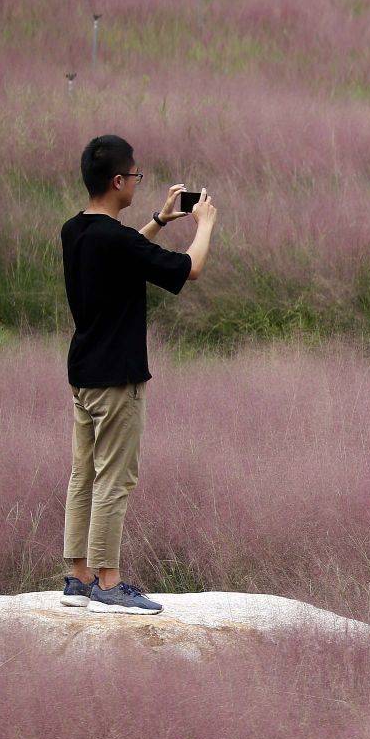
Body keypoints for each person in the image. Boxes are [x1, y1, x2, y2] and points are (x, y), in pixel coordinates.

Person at [58, 134, 218, 615]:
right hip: (116, 379)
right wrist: (203, 225)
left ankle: (78, 575)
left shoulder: (76, 231)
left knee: (83, 475)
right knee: (116, 478)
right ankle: (110, 580)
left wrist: (160, 219)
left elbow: (124, 249)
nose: (136, 182)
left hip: (84, 373)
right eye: (135, 176)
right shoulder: (116, 239)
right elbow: (188, 269)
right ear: (118, 181)